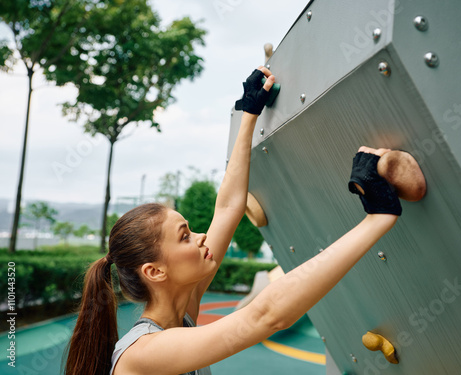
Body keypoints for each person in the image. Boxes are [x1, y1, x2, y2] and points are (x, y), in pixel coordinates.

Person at [64, 66, 402, 375]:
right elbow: (266, 314)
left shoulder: (181, 318)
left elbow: (227, 208)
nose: (200, 237)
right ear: (154, 272)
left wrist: (248, 115)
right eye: (184, 237)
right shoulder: (145, 352)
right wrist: (378, 218)